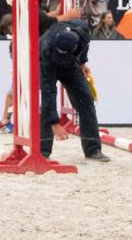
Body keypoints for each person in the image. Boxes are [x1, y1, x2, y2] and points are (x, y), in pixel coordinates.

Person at [39, 19, 109, 162]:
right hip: (47, 62)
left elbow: (85, 47)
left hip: (70, 64)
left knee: (86, 99)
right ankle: (43, 151)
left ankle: (93, 149)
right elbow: (48, 93)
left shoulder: (83, 33)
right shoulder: (47, 48)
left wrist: (82, 63)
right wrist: (54, 123)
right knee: (48, 103)